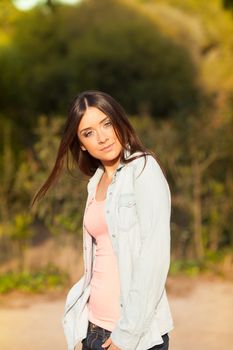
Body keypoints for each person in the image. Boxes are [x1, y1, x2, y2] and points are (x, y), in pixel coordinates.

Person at [32, 90, 174, 350]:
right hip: (93, 330)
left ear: (119, 122)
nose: (102, 137)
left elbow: (155, 258)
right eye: (88, 132)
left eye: (106, 123)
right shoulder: (95, 183)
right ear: (82, 143)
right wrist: (81, 331)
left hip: (133, 337)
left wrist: (126, 336)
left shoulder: (143, 169)